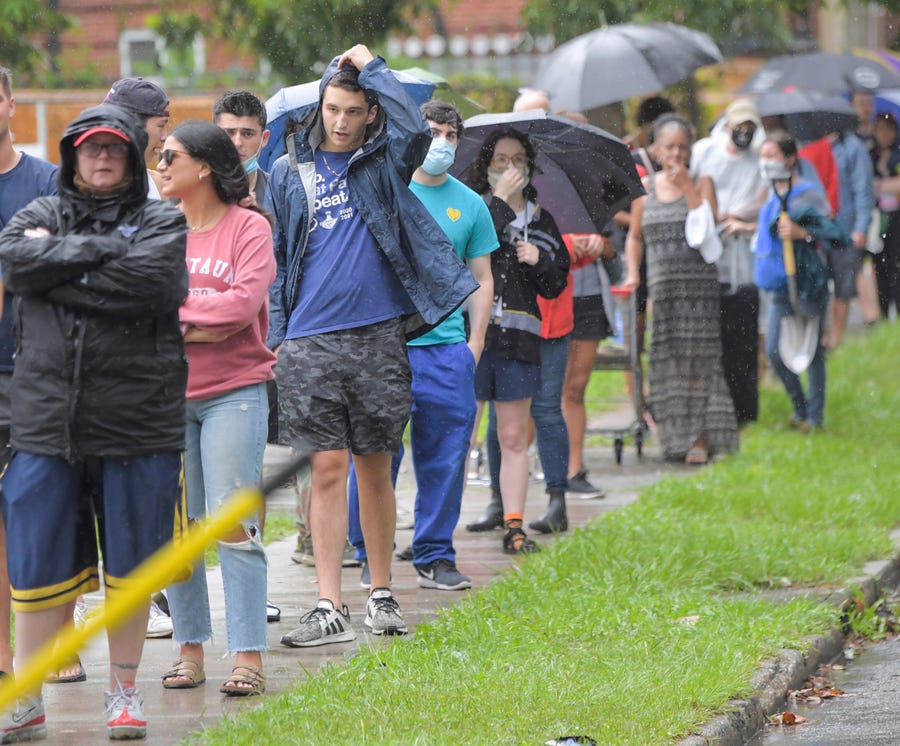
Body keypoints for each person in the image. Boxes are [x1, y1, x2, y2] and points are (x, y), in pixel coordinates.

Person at [267, 44, 475, 646]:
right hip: (308, 341)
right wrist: (279, 338)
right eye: (332, 108)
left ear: (368, 115)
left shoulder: (384, 163)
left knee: (375, 466)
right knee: (326, 469)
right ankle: (329, 604)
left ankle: (380, 592)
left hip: (379, 335)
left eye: (353, 111)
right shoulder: (288, 172)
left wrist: (372, 64)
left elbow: (416, 129)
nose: (340, 120)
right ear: (318, 110)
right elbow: (282, 261)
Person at [0, 103, 188, 741]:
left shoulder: (161, 219)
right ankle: (25, 697)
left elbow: (156, 285)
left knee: (133, 566)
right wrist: (107, 252)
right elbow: (16, 265)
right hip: (46, 421)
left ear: (134, 157)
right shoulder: (37, 216)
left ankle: (124, 691)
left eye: (115, 148)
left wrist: (56, 269)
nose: (102, 157)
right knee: (35, 561)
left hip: (139, 419)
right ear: (73, 154)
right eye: (90, 148)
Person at [347, 98, 497, 589]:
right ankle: (371, 551)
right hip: (386, 348)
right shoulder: (386, 191)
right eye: (433, 132)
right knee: (374, 456)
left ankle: (434, 552)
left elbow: (482, 278)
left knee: (446, 455)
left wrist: (474, 343)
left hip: (447, 350)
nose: (442, 143)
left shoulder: (470, 204)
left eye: (452, 135)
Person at [156, 121, 275, 696]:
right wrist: (198, 322)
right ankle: (189, 650)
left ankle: (247, 657)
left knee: (231, 527)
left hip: (235, 393)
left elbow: (241, 307)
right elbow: (139, 307)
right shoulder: (158, 230)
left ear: (203, 166)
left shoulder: (248, 229)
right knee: (179, 533)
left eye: (169, 155)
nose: (158, 163)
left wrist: (180, 318)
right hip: (166, 400)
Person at [460, 126, 569, 553]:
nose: (509, 167)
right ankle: (436, 532)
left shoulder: (542, 221)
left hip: (520, 339)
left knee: (512, 435)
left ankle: (515, 526)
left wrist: (539, 259)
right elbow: (464, 256)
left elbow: (556, 286)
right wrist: (502, 203)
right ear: (487, 165)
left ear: (529, 166)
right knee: (461, 432)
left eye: (517, 160)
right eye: (500, 160)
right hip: (474, 338)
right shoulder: (475, 209)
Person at [102, 74, 175, 640]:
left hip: (147, 357)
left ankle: (146, 590)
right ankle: (91, 597)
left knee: (144, 481)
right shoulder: (88, 182)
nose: (163, 135)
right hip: (98, 358)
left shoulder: (152, 188)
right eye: (159, 124)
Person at [624, 113, 738, 464]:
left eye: (682, 147)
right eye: (669, 147)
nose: (676, 154)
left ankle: (702, 437)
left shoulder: (702, 183)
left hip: (698, 289)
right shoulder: (644, 191)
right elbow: (635, 237)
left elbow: (709, 230)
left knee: (699, 360)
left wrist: (687, 188)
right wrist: (632, 274)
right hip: (664, 291)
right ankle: (675, 436)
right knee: (667, 360)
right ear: (655, 150)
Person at [211, 89, 283, 624]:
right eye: (227, 132)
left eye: (247, 133)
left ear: (263, 137)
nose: (237, 143)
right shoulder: (189, 191)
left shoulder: (279, 189)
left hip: (271, 344)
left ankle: (252, 596)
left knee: (249, 476)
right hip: (204, 360)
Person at [0, 64, 58, 683]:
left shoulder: (45, 183)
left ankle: (45, 650)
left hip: (34, 373)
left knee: (35, 513)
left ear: (11, 103)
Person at [753, 130, 846, 430]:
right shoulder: (771, 193)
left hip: (807, 283)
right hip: (780, 285)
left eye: (772, 156)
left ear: (790, 159)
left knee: (812, 350)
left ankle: (815, 418)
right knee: (774, 353)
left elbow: (833, 233)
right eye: (763, 156)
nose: (765, 162)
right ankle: (800, 408)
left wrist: (801, 233)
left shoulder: (807, 194)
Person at [691, 98, 769, 425]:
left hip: (744, 258)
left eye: (750, 129)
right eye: (740, 128)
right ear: (728, 126)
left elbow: (766, 196)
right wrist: (713, 217)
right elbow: (695, 188)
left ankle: (746, 408)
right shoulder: (706, 152)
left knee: (745, 335)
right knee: (716, 337)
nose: (745, 134)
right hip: (711, 254)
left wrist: (738, 215)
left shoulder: (759, 157)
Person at [827, 120, 874, 348]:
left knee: (843, 288)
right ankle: (823, 340)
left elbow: (863, 189)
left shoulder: (852, 146)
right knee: (817, 288)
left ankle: (836, 340)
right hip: (817, 231)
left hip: (845, 229)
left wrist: (861, 228)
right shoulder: (811, 144)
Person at [103, 76, 170, 197]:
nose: (164, 136)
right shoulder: (78, 190)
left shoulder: (159, 185)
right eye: (161, 125)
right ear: (132, 125)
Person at [869, 112, 900, 319]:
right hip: (878, 219)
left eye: (889, 130)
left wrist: (880, 185)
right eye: (881, 129)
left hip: (897, 218)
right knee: (879, 266)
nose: (885, 134)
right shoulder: (870, 154)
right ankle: (881, 312)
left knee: (896, 264)